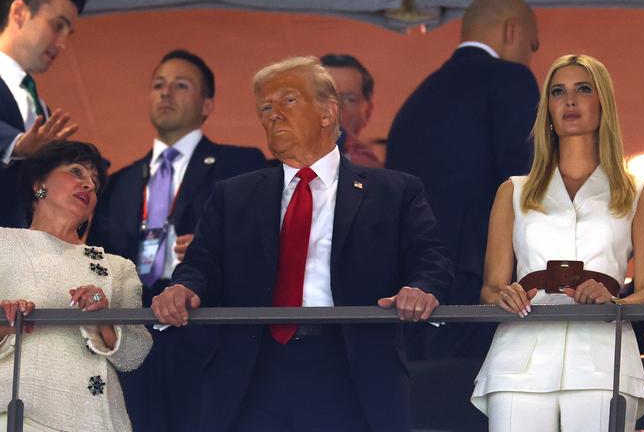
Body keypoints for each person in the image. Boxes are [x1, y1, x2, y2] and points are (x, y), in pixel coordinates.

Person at [151, 56, 454, 432]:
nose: (273, 114)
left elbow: (432, 259)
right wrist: (183, 287)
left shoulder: (394, 192)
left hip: (350, 367)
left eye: (288, 101)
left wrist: (420, 289)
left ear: (328, 112)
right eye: (265, 107)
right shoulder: (234, 195)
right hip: (252, 370)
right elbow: (202, 263)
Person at [88, 49, 267, 432]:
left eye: (181, 85)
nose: (165, 94)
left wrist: (216, 246)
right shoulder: (119, 181)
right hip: (134, 336)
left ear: (208, 104)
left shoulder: (240, 164)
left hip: (208, 332)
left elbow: (264, 239)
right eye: (158, 85)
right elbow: (99, 255)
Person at [472, 54, 644, 431]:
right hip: (519, 361)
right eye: (558, 91)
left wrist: (614, 301)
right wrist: (503, 296)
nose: (569, 100)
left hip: (603, 360)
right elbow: (490, 287)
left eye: (583, 89)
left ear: (602, 102)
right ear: (547, 109)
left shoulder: (638, 192)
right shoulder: (513, 192)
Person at [385, 0, 540, 359]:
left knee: (427, 404)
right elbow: (523, 180)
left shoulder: (417, 99)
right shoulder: (511, 79)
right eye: (532, 46)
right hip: (481, 283)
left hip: (415, 285)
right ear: (512, 31)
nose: (531, 57)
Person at [0, 140, 152, 431]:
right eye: (76, 172)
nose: (89, 185)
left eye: (94, 182)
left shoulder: (117, 267)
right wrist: (4, 320)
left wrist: (102, 319)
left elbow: (135, 354)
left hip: (98, 419)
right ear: (39, 184)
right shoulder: (3, 243)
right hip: (22, 415)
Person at [0, 0, 85, 228]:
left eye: (68, 34)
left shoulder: (42, 111)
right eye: (57, 26)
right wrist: (16, 143)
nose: (61, 44)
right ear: (19, 12)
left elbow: (32, 193)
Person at [320, 53, 382, 168]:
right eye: (323, 98)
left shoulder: (377, 176)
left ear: (367, 112)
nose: (335, 109)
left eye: (350, 99)